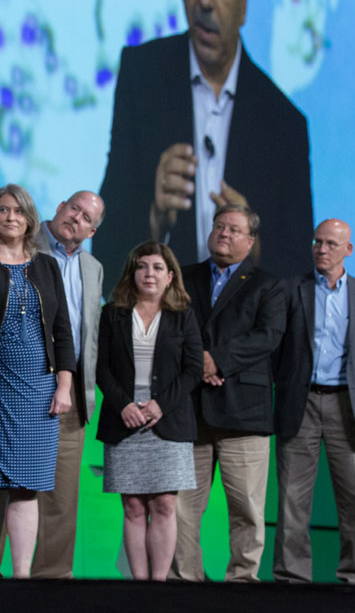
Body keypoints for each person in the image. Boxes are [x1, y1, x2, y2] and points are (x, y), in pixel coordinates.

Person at [96, 0, 312, 293]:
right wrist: (154, 219)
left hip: (239, 345)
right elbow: (103, 254)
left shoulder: (284, 123)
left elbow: (301, 282)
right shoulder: (142, 75)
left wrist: (252, 250)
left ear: (243, 1)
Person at [0, 191, 105, 578]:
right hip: (11, 379)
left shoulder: (93, 268)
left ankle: (51, 578)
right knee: (4, 482)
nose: (77, 218)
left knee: (60, 494)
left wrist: (70, 384)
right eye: (74, 208)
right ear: (58, 209)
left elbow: (85, 334)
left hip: (66, 387)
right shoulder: (20, 242)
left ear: (92, 230)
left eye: (87, 217)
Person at [171, 203, 286, 582]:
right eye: (219, 226)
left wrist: (216, 361)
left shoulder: (268, 284)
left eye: (234, 229)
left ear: (250, 241)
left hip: (244, 412)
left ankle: (242, 581)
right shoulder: (184, 277)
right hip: (191, 408)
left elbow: (267, 337)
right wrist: (198, 362)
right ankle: (185, 578)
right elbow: (173, 330)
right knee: (184, 506)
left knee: (246, 508)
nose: (223, 233)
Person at [0, 184, 76, 578]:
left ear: (30, 219)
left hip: (38, 390)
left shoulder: (47, 266)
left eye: (18, 211)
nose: (10, 217)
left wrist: (64, 385)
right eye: (2, 209)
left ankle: (21, 577)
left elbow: (63, 331)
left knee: (27, 486)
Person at [273, 219, 355, 584]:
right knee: (292, 501)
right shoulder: (291, 288)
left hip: (347, 407)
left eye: (331, 244)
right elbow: (278, 349)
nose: (321, 249)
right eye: (317, 242)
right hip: (300, 403)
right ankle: (292, 577)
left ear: (348, 250)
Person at [96, 242, 203, 581]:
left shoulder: (183, 315)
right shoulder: (112, 312)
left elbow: (193, 369)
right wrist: (124, 404)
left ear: (170, 276)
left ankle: (159, 586)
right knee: (133, 507)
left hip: (168, 416)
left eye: (157, 267)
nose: (149, 274)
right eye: (142, 266)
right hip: (123, 415)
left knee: (164, 505)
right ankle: (138, 587)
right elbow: (101, 369)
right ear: (132, 272)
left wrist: (160, 404)